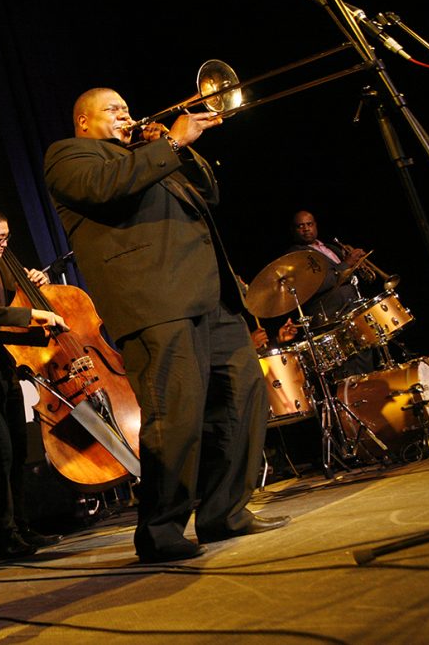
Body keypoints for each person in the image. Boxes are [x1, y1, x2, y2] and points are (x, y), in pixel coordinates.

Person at [44, 88, 289, 563]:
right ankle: (159, 531)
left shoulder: (146, 155)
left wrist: (180, 147)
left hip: (212, 297)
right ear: (84, 123)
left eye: (127, 108)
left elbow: (208, 194)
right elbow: (103, 188)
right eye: (113, 110)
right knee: (175, 415)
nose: (126, 115)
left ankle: (225, 512)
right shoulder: (70, 155)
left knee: (242, 400)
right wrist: (168, 145)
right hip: (156, 300)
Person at [0, 206, 67, 559]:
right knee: (0, 454)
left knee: (19, 450)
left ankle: (22, 527)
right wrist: (33, 312)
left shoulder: (2, 265)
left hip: (8, 368)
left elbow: (12, 299)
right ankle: (4, 535)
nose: (5, 245)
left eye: (7, 238)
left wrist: (31, 283)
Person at [282, 210, 374, 378]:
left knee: (367, 362)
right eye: (300, 226)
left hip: (352, 310)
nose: (306, 229)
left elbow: (345, 274)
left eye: (309, 224)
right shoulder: (296, 255)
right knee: (352, 371)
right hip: (332, 318)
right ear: (293, 230)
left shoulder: (330, 247)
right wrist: (347, 264)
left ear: (316, 225)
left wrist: (357, 267)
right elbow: (315, 285)